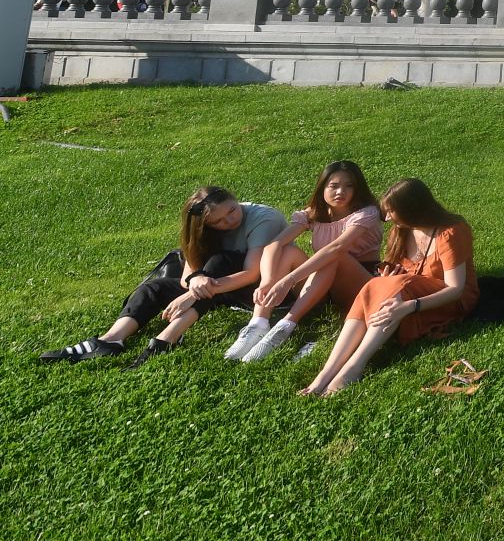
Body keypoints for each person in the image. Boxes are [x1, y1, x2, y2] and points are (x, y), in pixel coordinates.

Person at [39, 186, 287, 367]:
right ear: (206, 225)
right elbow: (189, 271)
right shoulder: (203, 229)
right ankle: (110, 341)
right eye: (219, 222)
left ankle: (165, 339)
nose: (230, 221)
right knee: (155, 287)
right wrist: (193, 282)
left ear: (236, 199)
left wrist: (191, 294)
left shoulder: (263, 218)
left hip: (256, 288)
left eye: (232, 211)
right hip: (219, 283)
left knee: (221, 261)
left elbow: (253, 272)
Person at [301, 179, 477, 397]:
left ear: (412, 209)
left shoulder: (451, 232)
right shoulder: (401, 231)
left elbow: (455, 288)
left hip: (446, 301)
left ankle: (353, 367)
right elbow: (395, 268)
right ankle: (324, 375)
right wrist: (388, 274)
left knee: (396, 285)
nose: (387, 218)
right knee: (375, 284)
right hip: (405, 292)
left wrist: (409, 307)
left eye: (393, 211)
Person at [224, 161, 383, 364]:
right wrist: (269, 281)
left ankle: (285, 326)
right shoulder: (314, 213)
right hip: (322, 282)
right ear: (322, 187)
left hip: (358, 283)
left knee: (334, 255)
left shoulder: (366, 213)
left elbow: (336, 249)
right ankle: (258, 323)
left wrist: (289, 280)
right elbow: (274, 245)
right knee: (287, 250)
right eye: (333, 186)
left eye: (349, 186)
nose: (341, 192)